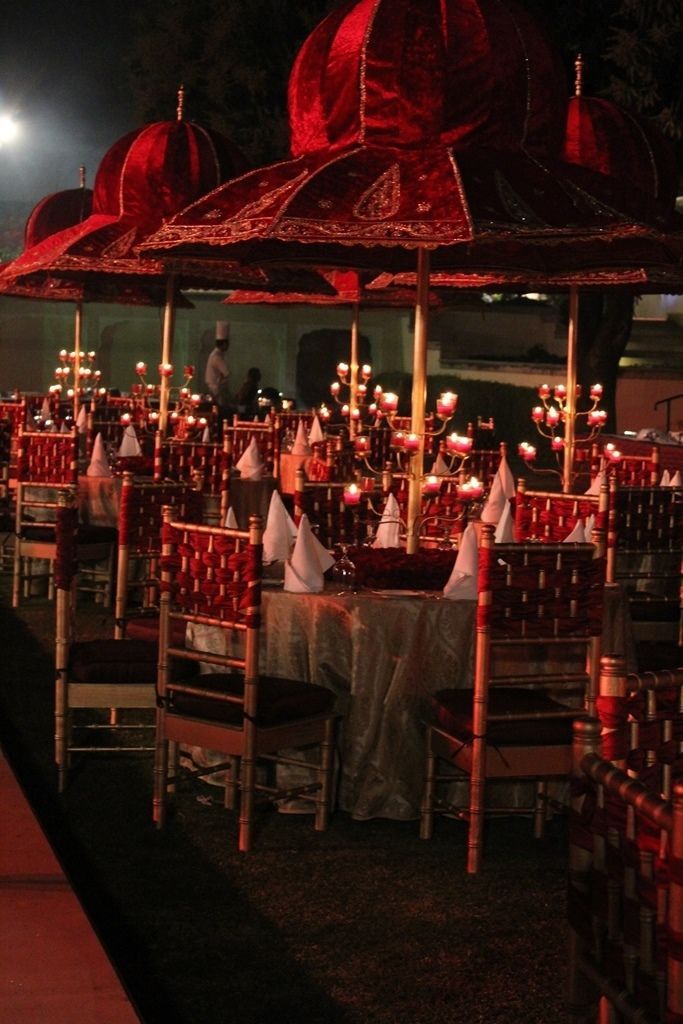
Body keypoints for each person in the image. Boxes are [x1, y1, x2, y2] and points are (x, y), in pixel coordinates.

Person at [204, 321, 232, 414]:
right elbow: (227, 372)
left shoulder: (214, 354)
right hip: (216, 390)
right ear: (224, 344)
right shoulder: (217, 356)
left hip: (215, 389)